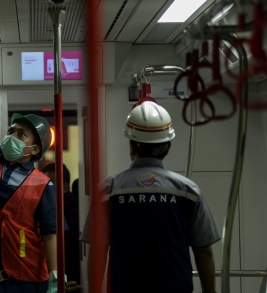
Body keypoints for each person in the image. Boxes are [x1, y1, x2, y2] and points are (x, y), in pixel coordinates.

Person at [0, 24, 65, 293]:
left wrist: (55, 276)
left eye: (22, 134)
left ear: (34, 150)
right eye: (12, 130)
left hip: (28, 280)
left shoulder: (44, 185)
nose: (12, 136)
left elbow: (51, 233)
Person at [81, 101, 220, 293]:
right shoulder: (188, 191)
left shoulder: (108, 191)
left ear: (132, 146)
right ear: (168, 147)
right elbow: (204, 252)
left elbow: (98, 251)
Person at [42, 163, 81, 290]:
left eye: (50, 184)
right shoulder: (44, 210)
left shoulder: (69, 212)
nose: (45, 189)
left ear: (64, 186)